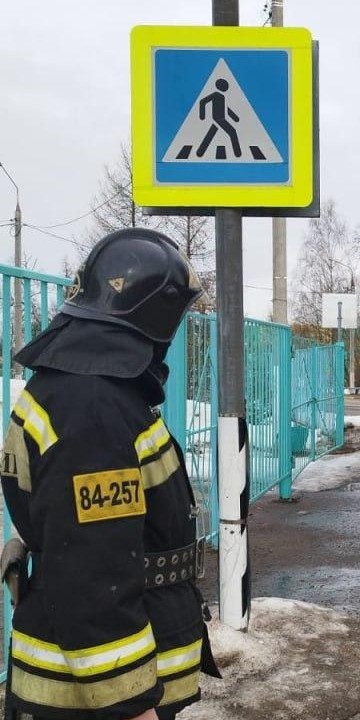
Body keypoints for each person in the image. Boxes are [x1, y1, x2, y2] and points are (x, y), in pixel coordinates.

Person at [0, 228, 219, 720]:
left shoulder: (81, 386)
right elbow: (93, 574)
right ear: (153, 317)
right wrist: (132, 707)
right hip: (97, 700)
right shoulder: (93, 404)